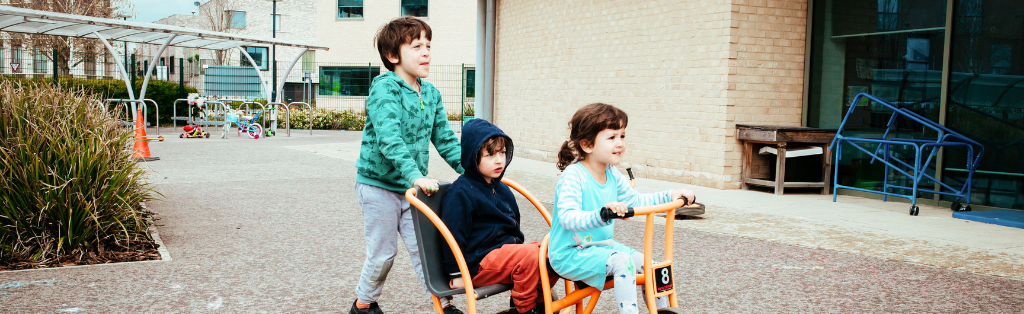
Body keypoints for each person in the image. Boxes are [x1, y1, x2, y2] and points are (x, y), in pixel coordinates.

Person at [351, 16, 463, 314]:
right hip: (378, 187)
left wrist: (473, 173)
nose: (426, 52)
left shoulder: (431, 94)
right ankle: (363, 304)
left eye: (428, 45)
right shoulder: (384, 88)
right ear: (392, 55)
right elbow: (389, 140)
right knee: (383, 255)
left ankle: (444, 306)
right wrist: (416, 175)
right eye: (416, 46)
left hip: (413, 190)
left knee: (427, 252)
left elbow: (446, 141)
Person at [548, 103, 696, 314]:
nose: (620, 144)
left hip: (600, 247)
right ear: (588, 145)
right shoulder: (574, 176)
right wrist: (602, 214)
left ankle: (662, 310)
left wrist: (669, 195)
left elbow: (635, 201)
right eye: (611, 138)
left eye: (622, 136)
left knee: (650, 266)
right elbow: (568, 218)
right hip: (570, 253)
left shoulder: (612, 173)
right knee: (623, 262)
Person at [440, 119, 549, 314]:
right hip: (479, 262)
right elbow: (452, 235)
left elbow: (513, 222)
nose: (499, 160)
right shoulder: (460, 192)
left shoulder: (502, 189)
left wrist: (519, 250)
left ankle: (540, 302)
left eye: (502, 152)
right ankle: (524, 309)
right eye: (489, 154)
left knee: (550, 253)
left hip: (504, 256)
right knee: (532, 255)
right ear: (473, 156)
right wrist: (457, 272)